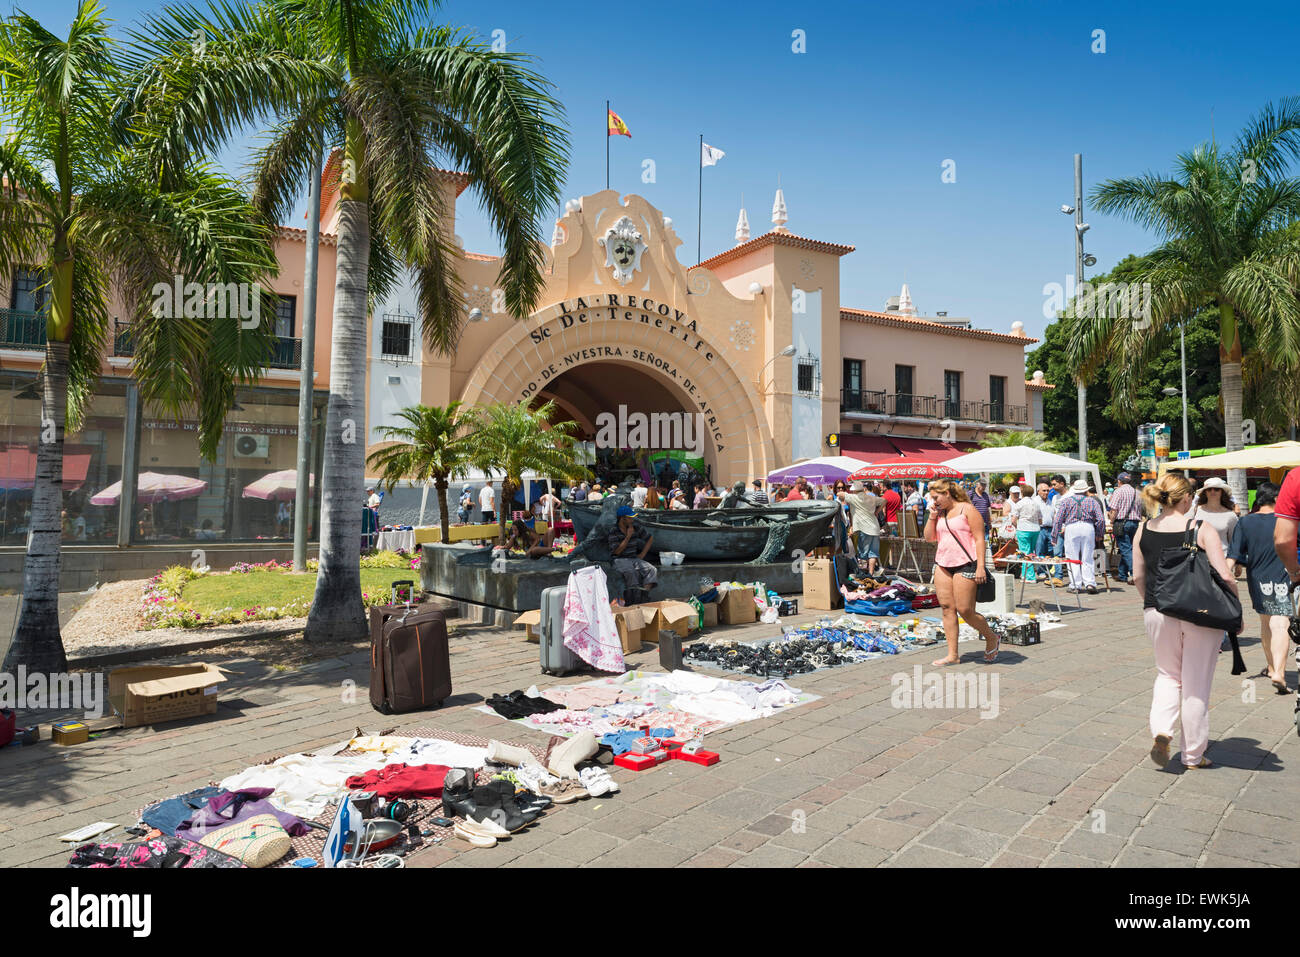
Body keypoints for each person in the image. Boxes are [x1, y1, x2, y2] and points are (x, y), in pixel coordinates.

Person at [1134, 473, 1238, 769]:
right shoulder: (1200, 527)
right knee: (1196, 682)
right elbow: (1225, 575)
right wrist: (1234, 611)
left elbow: (1138, 576)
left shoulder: (1144, 529)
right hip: (1199, 613)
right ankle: (1193, 754)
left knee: (1167, 675)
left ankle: (1162, 731)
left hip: (1157, 610)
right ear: (1184, 498)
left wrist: (1151, 602)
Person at [924, 478, 1002, 666]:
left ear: (947, 494)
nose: (933, 501)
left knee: (965, 610)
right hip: (943, 563)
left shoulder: (967, 509)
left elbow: (979, 539)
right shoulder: (940, 513)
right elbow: (929, 538)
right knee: (947, 609)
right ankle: (953, 655)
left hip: (966, 563)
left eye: (936, 497)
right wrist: (932, 516)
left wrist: (981, 566)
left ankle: (991, 637)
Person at [1226, 482, 1292, 694]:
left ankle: (1272, 667)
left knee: (1265, 622)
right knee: (1280, 624)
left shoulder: (1245, 522)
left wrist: (1225, 576)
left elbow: (1233, 555)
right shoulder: (1287, 521)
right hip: (1284, 576)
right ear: (1277, 499)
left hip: (1258, 580)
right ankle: (1279, 672)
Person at [1052, 479, 1107, 594]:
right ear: (1086, 490)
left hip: (1071, 528)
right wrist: (1099, 533)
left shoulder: (1066, 501)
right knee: (1087, 557)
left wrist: (1054, 536)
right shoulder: (1092, 501)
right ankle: (1090, 583)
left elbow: (1058, 520)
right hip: (1088, 527)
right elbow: (1101, 519)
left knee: (1072, 557)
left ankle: (1075, 585)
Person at [608, 505, 656, 595]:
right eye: (630, 518)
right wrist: (628, 536)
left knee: (652, 570)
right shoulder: (614, 531)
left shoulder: (635, 527)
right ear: (623, 519)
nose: (632, 520)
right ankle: (634, 597)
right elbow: (617, 552)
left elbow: (650, 538)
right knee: (631, 572)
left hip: (634, 559)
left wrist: (642, 554)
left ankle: (643, 594)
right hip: (619, 560)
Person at [1107, 472, 1142, 585]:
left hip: (1122, 522)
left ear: (1119, 481)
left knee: (1126, 549)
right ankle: (1122, 574)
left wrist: (1111, 521)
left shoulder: (1119, 491)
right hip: (1135, 522)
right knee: (1128, 549)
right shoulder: (1137, 492)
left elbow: (1114, 510)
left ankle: (1134, 574)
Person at [844, 480, 884, 576]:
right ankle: (871, 573)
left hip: (864, 528)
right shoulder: (871, 497)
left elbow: (840, 494)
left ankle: (864, 573)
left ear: (855, 490)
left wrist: (844, 492)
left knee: (862, 553)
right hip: (874, 527)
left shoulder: (853, 497)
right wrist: (877, 511)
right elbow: (884, 500)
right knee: (873, 553)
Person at [1195, 477, 1239, 552]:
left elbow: (1234, 542)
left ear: (1222, 492)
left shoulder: (1230, 515)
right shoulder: (1195, 510)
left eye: (1216, 489)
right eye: (1209, 489)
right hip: (1198, 559)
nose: (1212, 491)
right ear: (1205, 492)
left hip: (1222, 558)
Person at [1011, 483, 1043, 582]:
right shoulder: (1036, 504)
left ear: (1022, 493)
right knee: (1030, 552)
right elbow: (1040, 520)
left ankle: (1030, 576)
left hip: (1024, 529)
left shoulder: (1019, 504)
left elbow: (1013, 520)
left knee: (1025, 553)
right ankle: (1025, 574)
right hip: (1035, 529)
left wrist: (1017, 527)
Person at [1033, 482, 1063, 585]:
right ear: (1038, 491)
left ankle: (1049, 570)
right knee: (1040, 550)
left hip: (1051, 529)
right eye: (1044, 490)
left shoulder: (1051, 501)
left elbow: (1054, 514)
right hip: (1040, 529)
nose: (1046, 492)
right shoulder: (1035, 502)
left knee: (1051, 551)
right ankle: (1041, 571)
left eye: (1047, 490)